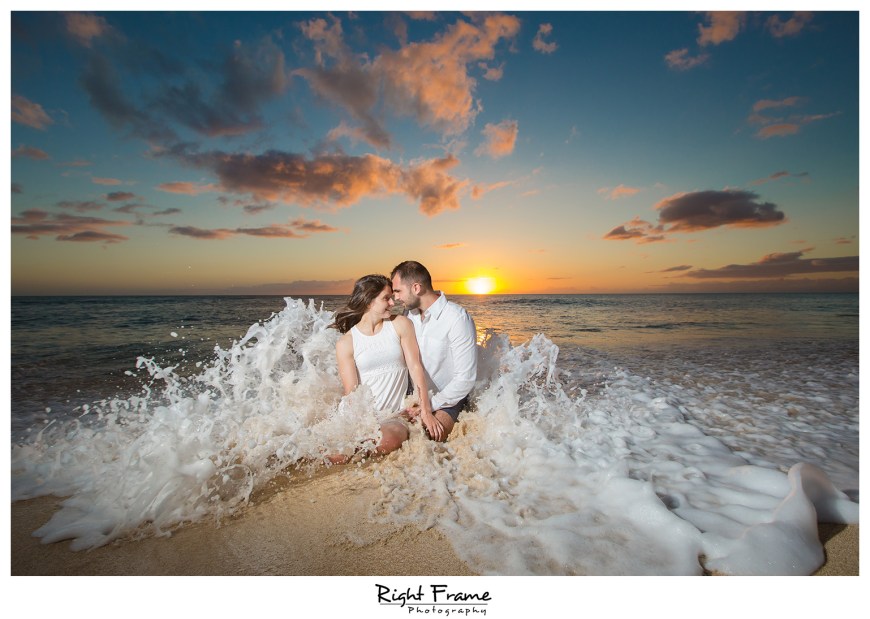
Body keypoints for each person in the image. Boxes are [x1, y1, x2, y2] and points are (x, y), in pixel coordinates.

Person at [329, 274, 441, 462]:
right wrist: (359, 424)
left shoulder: (400, 324)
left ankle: (357, 453)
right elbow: (351, 391)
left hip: (393, 414)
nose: (392, 302)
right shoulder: (346, 342)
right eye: (385, 298)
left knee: (388, 439)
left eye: (391, 297)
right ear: (368, 302)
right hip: (361, 415)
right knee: (337, 451)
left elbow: (415, 367)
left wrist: (425, 407)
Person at [390, 261, 477, 442]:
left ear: (416, 288)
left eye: (398, 291)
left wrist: (428, 406)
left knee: (425, 439)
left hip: (447, 399)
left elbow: (465, 379)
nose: (395, 297)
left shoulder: (456, 318)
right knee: (388, 434)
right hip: (415, 396)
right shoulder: (409, 316)